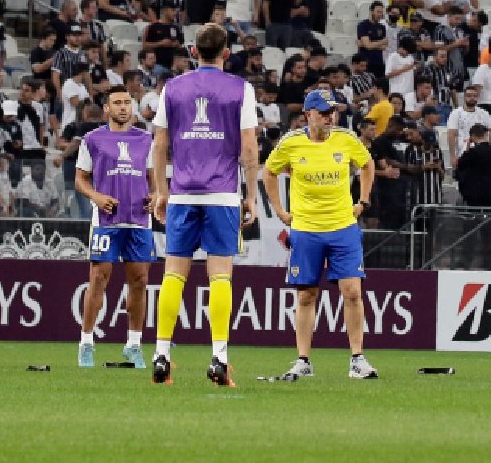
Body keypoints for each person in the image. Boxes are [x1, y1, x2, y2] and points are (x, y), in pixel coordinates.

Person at [151, 23, 260, 388]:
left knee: (173, 274)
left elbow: (159, 145)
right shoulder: (241, 89)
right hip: (222, 193)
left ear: (193, 52)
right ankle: (219, 358)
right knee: (220, 276)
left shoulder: (172, 88)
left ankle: (162, 354)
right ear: (226, 52)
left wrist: (161, 190)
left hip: (182, 192)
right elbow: (248, 148)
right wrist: (251, 196)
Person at [262, 90, 379, 381]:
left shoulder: (346, 139)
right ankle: (303, 359)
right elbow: (269, 172)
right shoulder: (291, 143)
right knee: (306, 296)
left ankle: (357, 359)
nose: (330, 117)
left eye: (334, 112)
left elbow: (367, 165)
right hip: (306, 229)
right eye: (325, 112)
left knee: (352, 292)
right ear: (309, 114)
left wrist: (363, 200)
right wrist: (279, 210)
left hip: (343, 228)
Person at [74, 87, 156, 369]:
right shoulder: (92, 140)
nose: (123, 107)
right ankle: (86, 343)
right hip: (106, 221)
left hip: (139, 221)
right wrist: (95, 196)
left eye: (126, 103)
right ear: (106, 109)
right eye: (117, 103)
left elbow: (153, 177)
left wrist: (157, 196)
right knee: (98, 279)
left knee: (140, 282)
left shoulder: (146, 139)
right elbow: (80, 179)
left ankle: (133, 345)